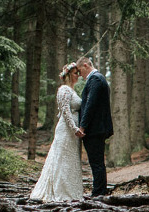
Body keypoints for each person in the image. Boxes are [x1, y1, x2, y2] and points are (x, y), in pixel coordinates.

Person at [30, 62, 83, 202]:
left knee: (70, 159)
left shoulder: (73, 91)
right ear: (68, 75)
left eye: (78, 73)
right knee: (62, 158)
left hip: (74, 132)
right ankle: (59, 192)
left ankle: (71, 191)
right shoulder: (64, 90)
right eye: (75, 73)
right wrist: (74, 129)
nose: (78, 75)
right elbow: (65, 111)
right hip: (66, 130)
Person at [75, 56, 113, 197]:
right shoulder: (97, 78)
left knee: (96, 163)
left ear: (86, 65)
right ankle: (99, 191)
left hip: (95, 129)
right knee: (96, 162)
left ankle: (99, 193)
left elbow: (90, 105)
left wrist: (83, 127)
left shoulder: (96, 79)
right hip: (97, 128)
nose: (79, 75)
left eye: (80, 71)